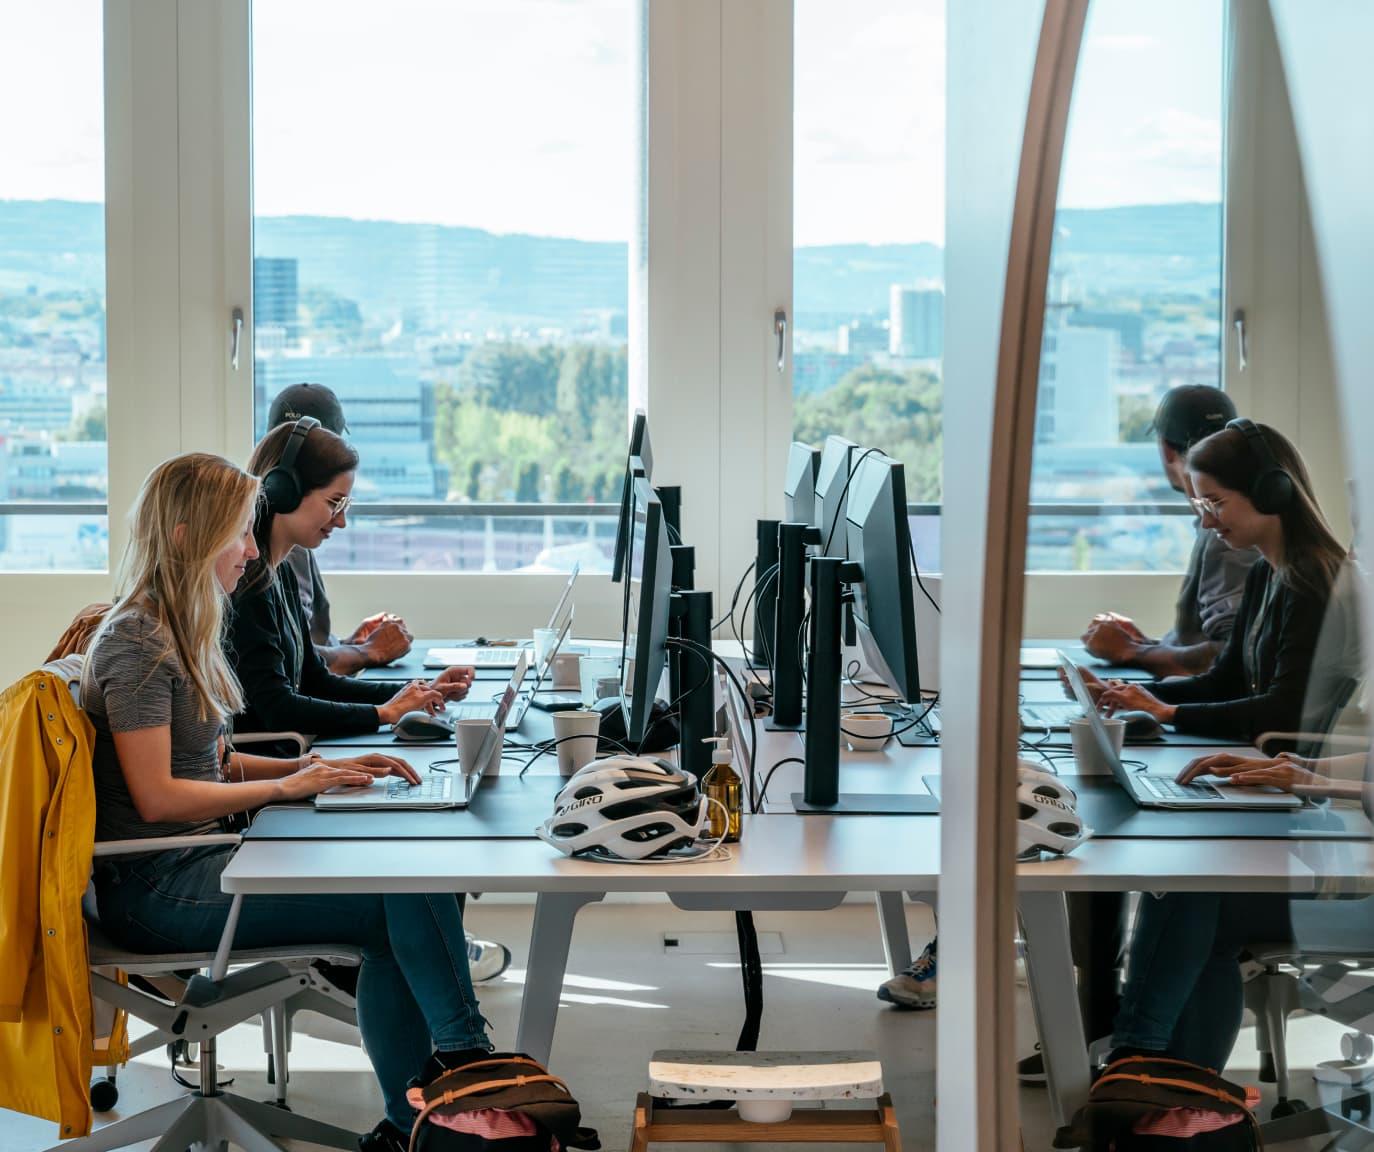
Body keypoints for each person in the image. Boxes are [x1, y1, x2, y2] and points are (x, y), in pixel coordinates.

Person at [85, 453, 494, 1152]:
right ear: (186, 537)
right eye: (237, 534)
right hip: (157, 887)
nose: (250, 550)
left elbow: (209, 761)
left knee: (403, 887)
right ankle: (467, 1074)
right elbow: (156, 799)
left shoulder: (184, 625)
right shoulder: (137, 644)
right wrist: (285, 786)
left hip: (201, 857)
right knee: (401, 895)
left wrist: (318, 767)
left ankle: (432, 1105)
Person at [232, 419, 514, 982]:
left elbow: (312, 676)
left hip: (298, 762)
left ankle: (430, 983)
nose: (340, 520)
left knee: (438, 823)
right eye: (333, 503)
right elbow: (280, 709)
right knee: (428, 837)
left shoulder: (282, 569)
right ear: (282, 492)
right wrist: (383, 715)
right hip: (267, 778)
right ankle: (393, 975)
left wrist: (408, 696)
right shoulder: (245, 581)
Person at [1077, 421, 1357, 743]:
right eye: (1201, 506)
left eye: (1216, 503)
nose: (1208, 521)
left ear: (1270, 491)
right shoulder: (1265, 572)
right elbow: (1224, 681)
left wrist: (1168, 713)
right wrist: (1129, 694)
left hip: (1276, 773)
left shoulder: (1311, 582)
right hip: (1251, 756)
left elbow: (1285, 710)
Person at [1081, 386, 1258, 678]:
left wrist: (1133, 653)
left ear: (1165, 449)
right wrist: (1146, 645)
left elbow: (1229, 656)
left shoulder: (1227, 536)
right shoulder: (1225, 522)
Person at [265, 383, 413, 675]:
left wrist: (347, 644)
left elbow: (297, 647)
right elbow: (292, 670)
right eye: (334, 501)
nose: (340, 520)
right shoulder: (273, 549)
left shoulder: (288, 534)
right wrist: (365, 652)